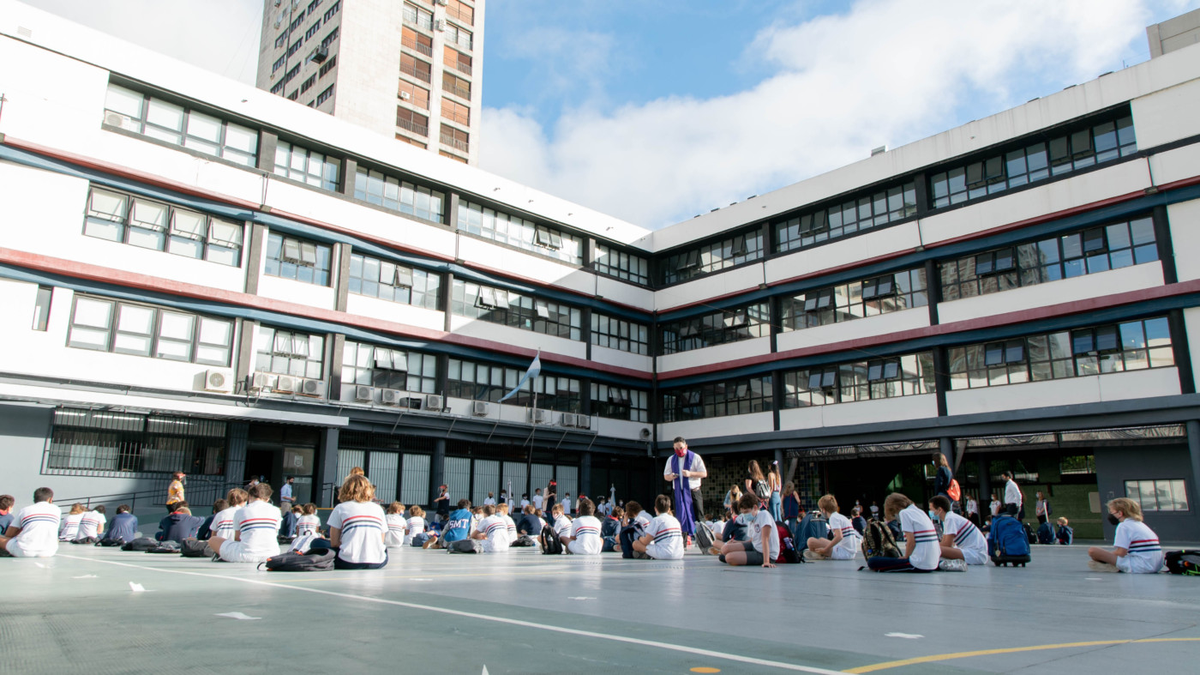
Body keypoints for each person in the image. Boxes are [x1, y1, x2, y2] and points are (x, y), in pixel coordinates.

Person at [866, 493, 940, 572]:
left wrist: (906, 556)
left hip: (919, 564)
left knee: (873, 561)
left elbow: (911, 542)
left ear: (894, 507)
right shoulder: (920, 512)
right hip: (933, 562)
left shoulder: (904, 513)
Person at [209, 483, 282, 563]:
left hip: (245, 555)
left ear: (249, 497)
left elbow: (238, 538)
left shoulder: (240, 511)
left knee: (213, 540)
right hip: (272, 554)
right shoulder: (276, 510)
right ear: (267, 499)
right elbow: (275, 533)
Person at [326, 475, 388, 569]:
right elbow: (381, 540)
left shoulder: (340, 508)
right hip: (378, 561)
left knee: (318, 543)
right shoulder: (378, 509)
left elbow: (334, 543)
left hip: (348, 562)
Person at [1088, 498, 1163, 573]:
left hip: (1140, 566)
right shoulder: (1141, 525)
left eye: (1112, 512)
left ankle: (1114, 566)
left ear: (1120, 513)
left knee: (1093, 551)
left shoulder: (1123, 526)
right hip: (1155, 566)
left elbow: (1121, 552)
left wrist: (1106, 557)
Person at [716, 493, 779, 568]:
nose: (745, 515)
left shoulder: (764, 515)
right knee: (725, 549)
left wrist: (766, 562)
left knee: (729, 557)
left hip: (763, 553)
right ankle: (740, 555)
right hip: (754, 546)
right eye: (743, 513)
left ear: (755, 508)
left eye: (746, 512)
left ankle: (742, 557)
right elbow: (752, 539)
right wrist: (737, 542)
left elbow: (765, 539)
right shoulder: (751, 519)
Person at [663, 437, 707, 537]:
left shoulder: (695, 457)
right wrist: (672, 476)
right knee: (681, 516)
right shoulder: (671, 459)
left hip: (693, 491)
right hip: (679, 492)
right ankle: (683, 542)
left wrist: (690, 473)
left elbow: (704, 473)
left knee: (699, 516)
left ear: (686, 446)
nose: (679, 450)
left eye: (681, 448)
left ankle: (705, 540)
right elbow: (666, 476)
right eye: (676, 449)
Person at [0, 488, 60, 558]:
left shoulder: (25, 510)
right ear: (50, 499)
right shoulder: (57, 510)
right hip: (49, 552)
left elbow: (9, 534)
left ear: (34, 498)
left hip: (24, 551)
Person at [930, 495, 986, 566]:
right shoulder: (948, 518)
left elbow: (947, 544)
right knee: (934, 548)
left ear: (940, 510)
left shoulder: (950, 519)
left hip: (975, 554)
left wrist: (929, 545)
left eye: (931, 509)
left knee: (935, 549)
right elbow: (944, 542)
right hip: (973, 552)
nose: (930, 512)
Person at [804, 495, 860, 561]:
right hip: (850, 552)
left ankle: (819, 554)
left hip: (844, 553)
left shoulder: (833, 518)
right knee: (821, 539)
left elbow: (839, 536)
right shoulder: (840, 516)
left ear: (824, 510)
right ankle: (819, 553)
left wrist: (826, 549)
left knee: (810, 541)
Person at [632, 495, 684, 560]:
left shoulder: (657, 520)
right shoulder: (675, 520)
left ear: (655, 509)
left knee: (635, 544)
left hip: (665, 554)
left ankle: (647, 554)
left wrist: (639, 538)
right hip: (679, 554)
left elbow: (646, 541)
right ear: (668, 509)